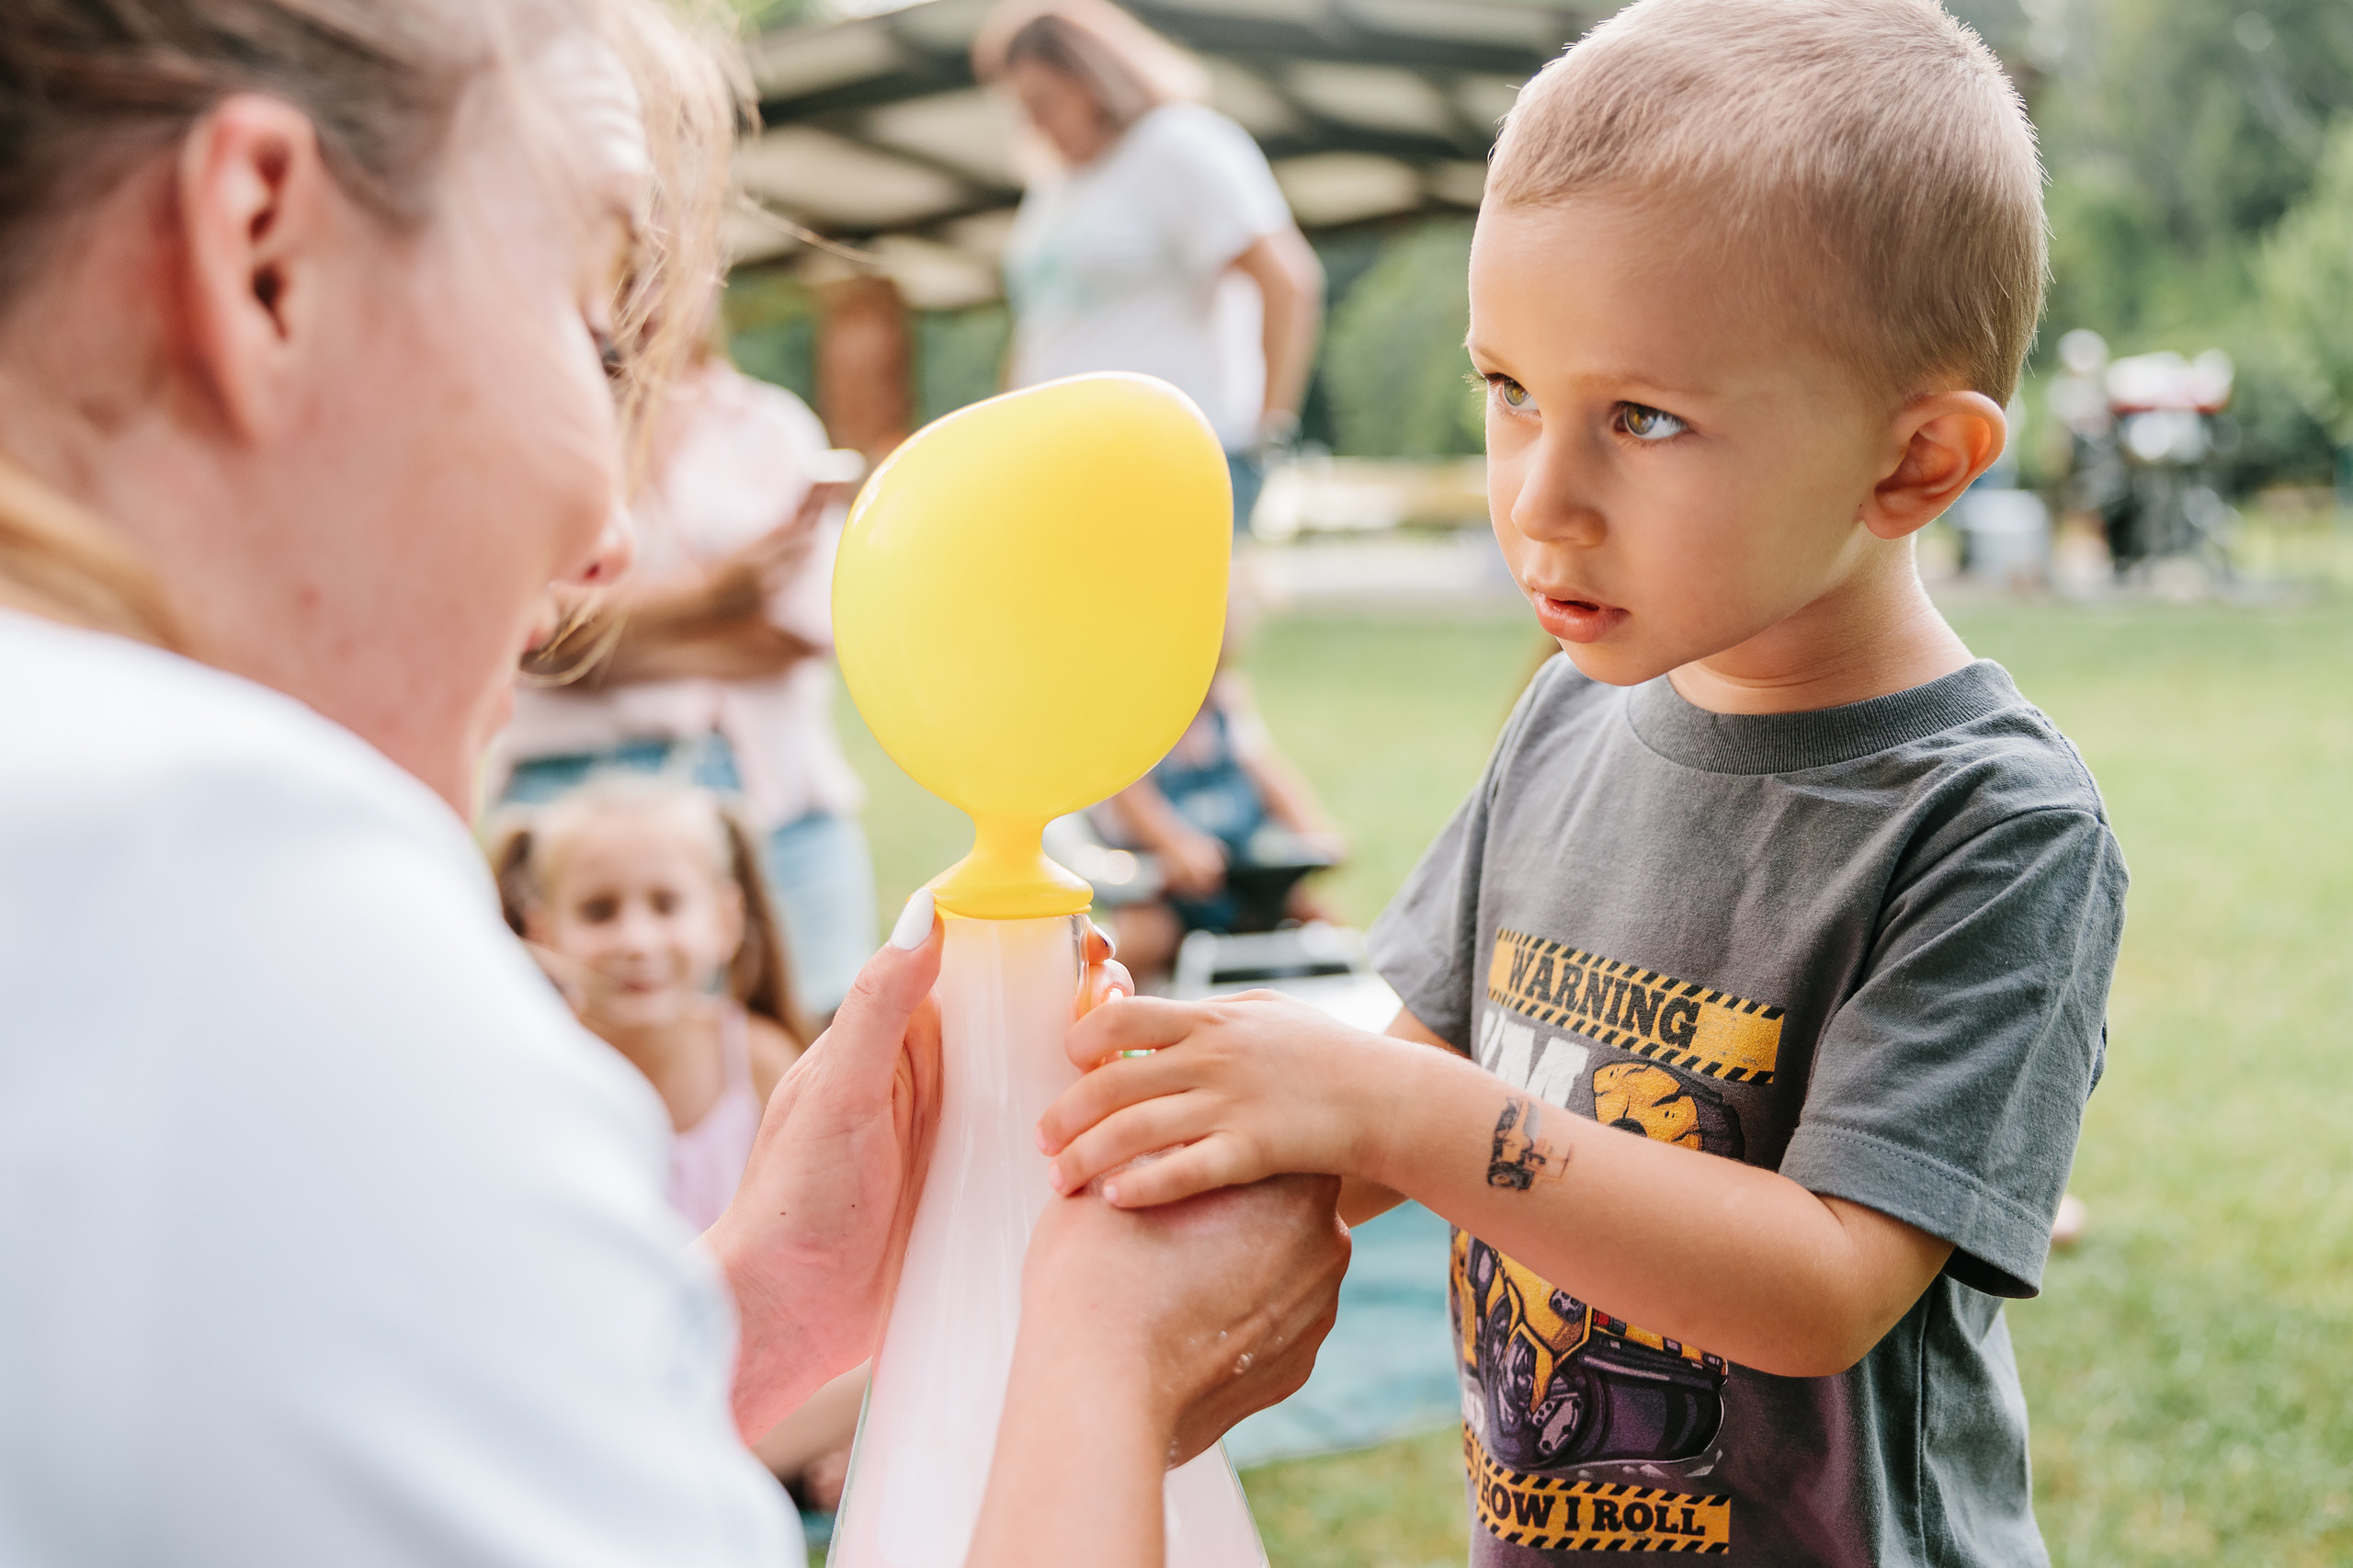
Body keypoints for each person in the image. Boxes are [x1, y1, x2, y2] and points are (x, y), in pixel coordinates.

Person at [0, 4, 1349, 1564]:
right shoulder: (232, 907)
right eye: (593, 332)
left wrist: (760, 1308)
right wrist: (1107, 1369)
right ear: (262, 259)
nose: (608, 549)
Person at [1032, 3, 2130, 1563]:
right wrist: (1150, 1113)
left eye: (1648, 417)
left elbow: (1822, 1287)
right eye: (1508, 391)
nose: (1541, 497)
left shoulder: (1988, 825)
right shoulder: (1563, 720)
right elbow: (1376, 1114)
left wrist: (1399, 1109)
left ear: (1917, 465)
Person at [499, 334, 875, 1021]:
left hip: (774, 795)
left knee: (806, 1045)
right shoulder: (520, 415)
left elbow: (806, 630)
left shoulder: (772, 427)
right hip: (569, 802)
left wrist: (593, 651)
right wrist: (715, 599)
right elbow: (514, 622)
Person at [975, 0, 1322, 536]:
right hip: (1062, 464)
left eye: (1044, 102)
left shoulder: (1177, 145)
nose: (1034, 125)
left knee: (1175, 618)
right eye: (1023, 109)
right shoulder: (1057, 188)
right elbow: (1043, 325)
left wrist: (1264, 437)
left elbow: (1288, 282)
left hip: (1167, 457)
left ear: (1092, 76)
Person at [492, 777, 805, 1231]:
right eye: (599, 911)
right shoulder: (534, 1071)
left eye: (666, 904)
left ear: (725, 920)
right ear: (543, 933)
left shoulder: (762, 1066)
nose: (637, 941)